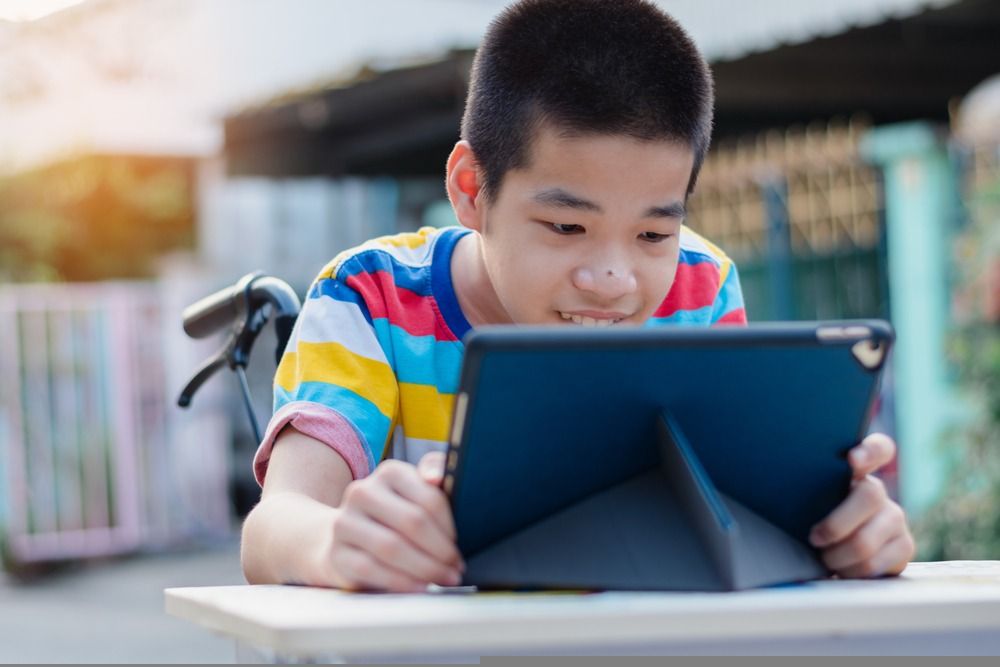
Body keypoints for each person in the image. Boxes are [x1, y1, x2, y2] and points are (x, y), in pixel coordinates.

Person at [241, 0, 914, 592]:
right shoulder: (370, 297)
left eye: (654, 232)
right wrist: (337, 543)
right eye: (567, 226)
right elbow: (274, 524)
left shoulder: (698, 286)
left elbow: (733, 513)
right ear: (471, 189)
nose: (614, 279)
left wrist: (842, 531)